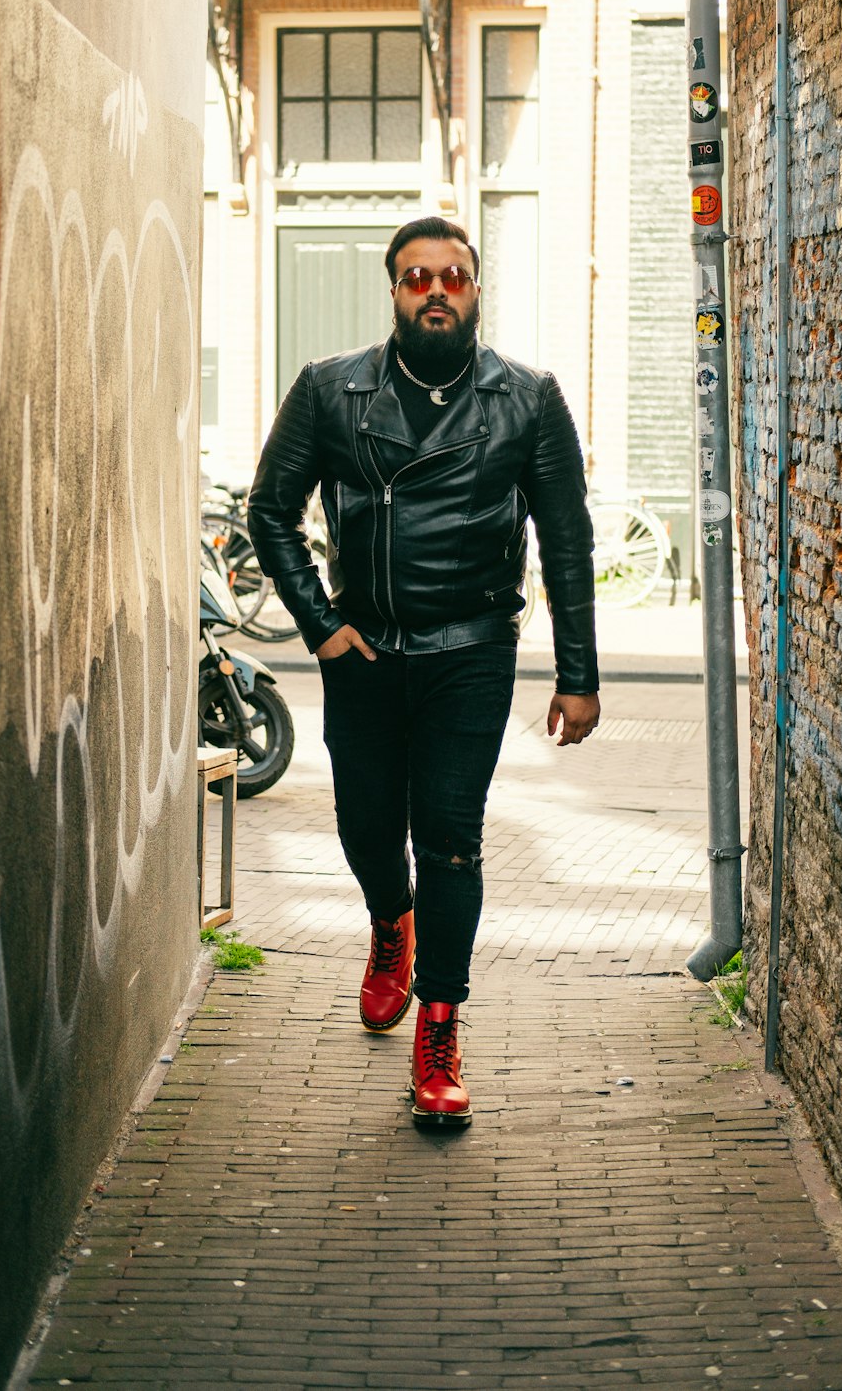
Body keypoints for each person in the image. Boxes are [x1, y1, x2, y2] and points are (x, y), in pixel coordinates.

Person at [248, 216, 600, 1127]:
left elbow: (566, 541)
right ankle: (388, 925)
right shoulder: (331, 391)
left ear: (476, 290)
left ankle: (439, 1028)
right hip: (362, 654)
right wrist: (321, 627)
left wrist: (578, 673)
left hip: (469, 652)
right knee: (367, 827)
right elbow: (271, 510)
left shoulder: (527, 399)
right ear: (394, 292)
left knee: (450, 837)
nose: (436, 290)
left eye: (453, 276)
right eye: (417, 278)